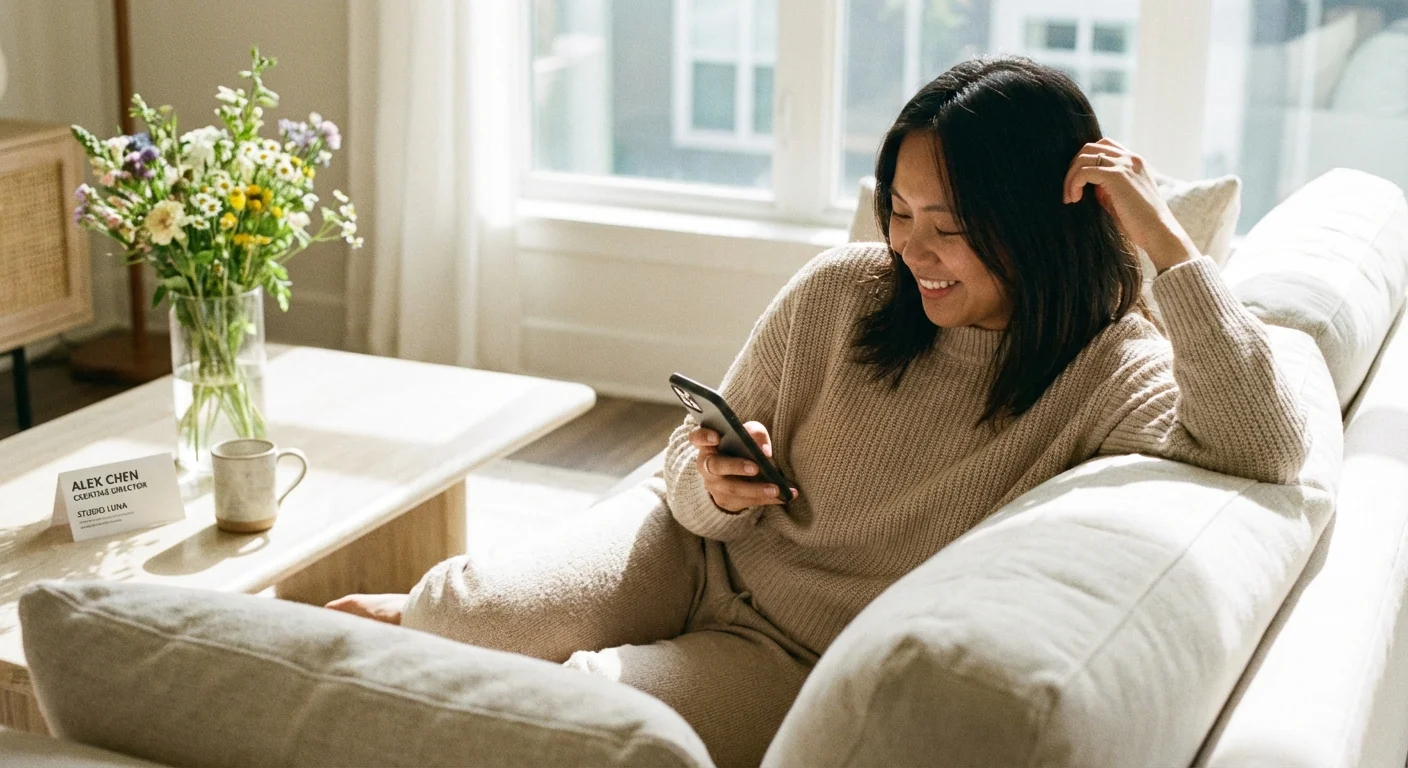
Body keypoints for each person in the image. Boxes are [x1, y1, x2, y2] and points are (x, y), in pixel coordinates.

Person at [327, 55, 1308, 767]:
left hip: (791, 656)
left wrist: (1161, 241)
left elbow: (1265, 445)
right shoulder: (843, 290)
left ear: (1040, 221)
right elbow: (680, 458)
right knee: (462, 610)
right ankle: (337, 653)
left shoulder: (1111, 369)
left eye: (951, 228)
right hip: (688, 551)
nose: (912, 251)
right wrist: (711, 485)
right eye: (899, 212)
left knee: (576, 715)